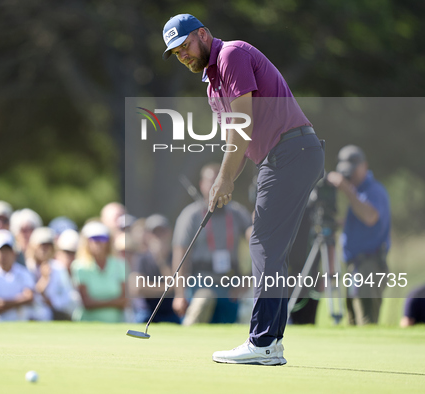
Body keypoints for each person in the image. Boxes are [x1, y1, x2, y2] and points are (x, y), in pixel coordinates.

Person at [162, 14, 325, 365]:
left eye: (185, 46)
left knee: (263, 244)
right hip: (280, 158)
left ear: (203, 35)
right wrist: (226, 179)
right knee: (269, 246)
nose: (183, 55)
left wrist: (225, 178)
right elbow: (232, 137)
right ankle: (270, 343)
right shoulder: (211, 84)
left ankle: (264, 342)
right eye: (176, 53)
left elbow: (243, 125)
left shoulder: (231, 55)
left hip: (291, 152)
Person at [172, 164, 252, 325]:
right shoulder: (191, 215)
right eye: (211, 181)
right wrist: (179, 294)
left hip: (231, 285)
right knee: (204, 299)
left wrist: (248, 280)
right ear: (202, 184)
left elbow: (258, 245)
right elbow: (180, 256)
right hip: (200, 283)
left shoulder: (237, 213)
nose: (215, 185)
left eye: (219, 180)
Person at [327, 145, 390, 325]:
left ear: (364, 166)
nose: (350, 176)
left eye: (353, 171)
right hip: (355, 265)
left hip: (369, 265)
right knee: (353, 321)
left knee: (366, 321)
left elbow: (370, 217)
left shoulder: (374, 190)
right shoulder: (359, 192)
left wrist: (347, 190)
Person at [71, 221, 126, 323]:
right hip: (87, 323)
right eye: (94, 239)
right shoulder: (79, 266)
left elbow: (124, 301)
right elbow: (87, 303)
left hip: (115, 322)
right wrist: (114, 302)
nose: (99, 242)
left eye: (103, 238)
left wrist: (98, 302)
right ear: (86, 242)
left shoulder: (120, 264)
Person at [130, 214, 180, 324]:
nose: (158, 236)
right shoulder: (141, 258)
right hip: (147, 312)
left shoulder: (176, 257)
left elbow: (177, 286)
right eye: (154, 232)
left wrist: (161, 261)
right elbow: (138, 288)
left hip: (172, 312)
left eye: (162, 231)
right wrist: (167, 288)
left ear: (169, 233)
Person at [0, 229, 34, 322]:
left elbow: (29, 297)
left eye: (7, 251)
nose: (4, 255)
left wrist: (2, 303)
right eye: (0, 251)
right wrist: (18, 302)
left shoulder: (23, 273)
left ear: (13, 252)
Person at [25, 227, 74, 321]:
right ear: (33, 246)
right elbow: (29, 295)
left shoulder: (59, 268)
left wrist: (53, 302)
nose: (45, 249)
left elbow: (67, 295)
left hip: (55, 315)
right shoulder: (26, 267)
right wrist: (44, 279)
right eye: (42, 245)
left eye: (48, 245)